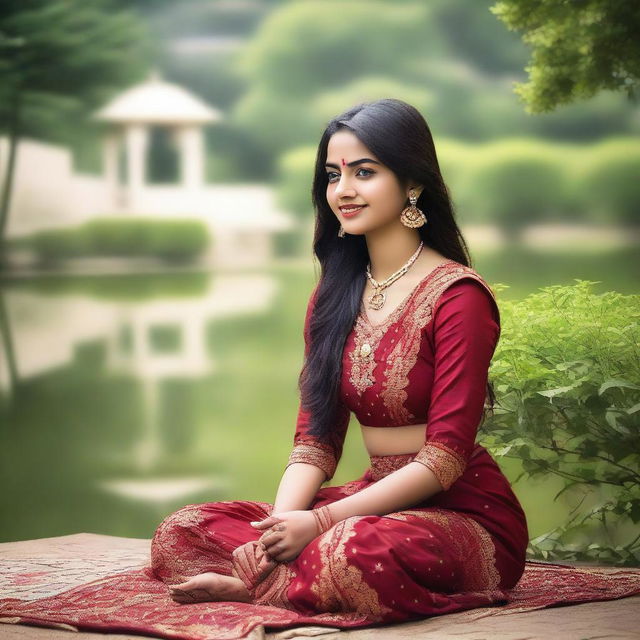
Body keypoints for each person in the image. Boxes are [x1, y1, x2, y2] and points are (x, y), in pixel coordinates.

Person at [150, 99, 528, 623]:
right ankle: (276, 573)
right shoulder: (335, 294)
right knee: (186, 528)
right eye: (333, 175)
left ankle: (253, 586)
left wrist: (321, 519)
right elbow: (316, 439)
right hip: (375, 500)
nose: (343, 190)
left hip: (458, 512)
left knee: (353, 548)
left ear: (412, 183)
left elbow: (444, 459)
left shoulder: (458, 296)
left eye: (364, 172)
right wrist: (281, 526)